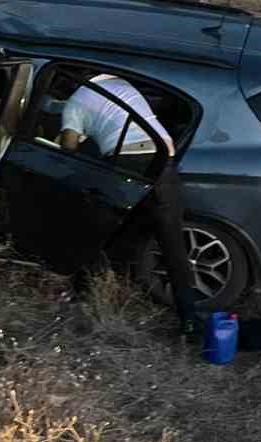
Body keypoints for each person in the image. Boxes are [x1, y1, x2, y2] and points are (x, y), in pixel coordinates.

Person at [59, 72, 203, 333]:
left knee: (105, 230)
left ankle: (83, 294)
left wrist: (73, 139)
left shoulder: (74, 104)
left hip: (127, 161)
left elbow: (67, 151)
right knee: (172, 242)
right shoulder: (119, 83)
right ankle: (190, 319)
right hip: (163, 157)